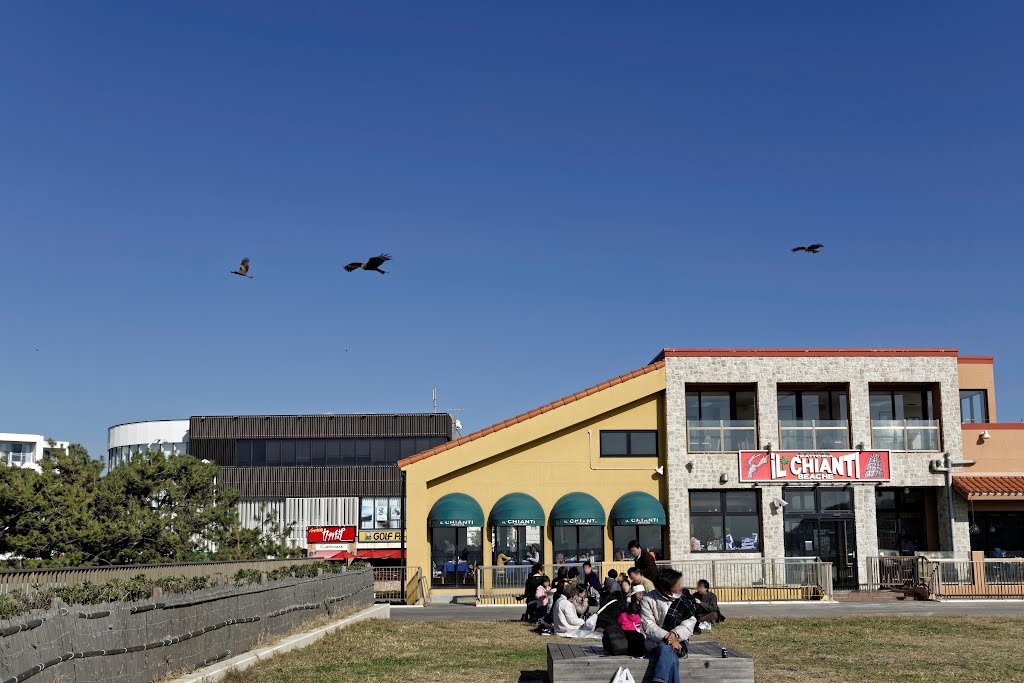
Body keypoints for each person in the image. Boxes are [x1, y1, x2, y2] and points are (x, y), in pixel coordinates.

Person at [640, 568, 697, 683]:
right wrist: (668, 637)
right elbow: (648, 625)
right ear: (666, 590)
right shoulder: (648, 599)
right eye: (677, 584)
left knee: (665, 648)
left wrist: (675, 634)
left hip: (680, 641)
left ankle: (658, 680)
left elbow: (690, 621)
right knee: (666, 650)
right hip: (655, 641)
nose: (681, 586)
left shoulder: (685, 597)